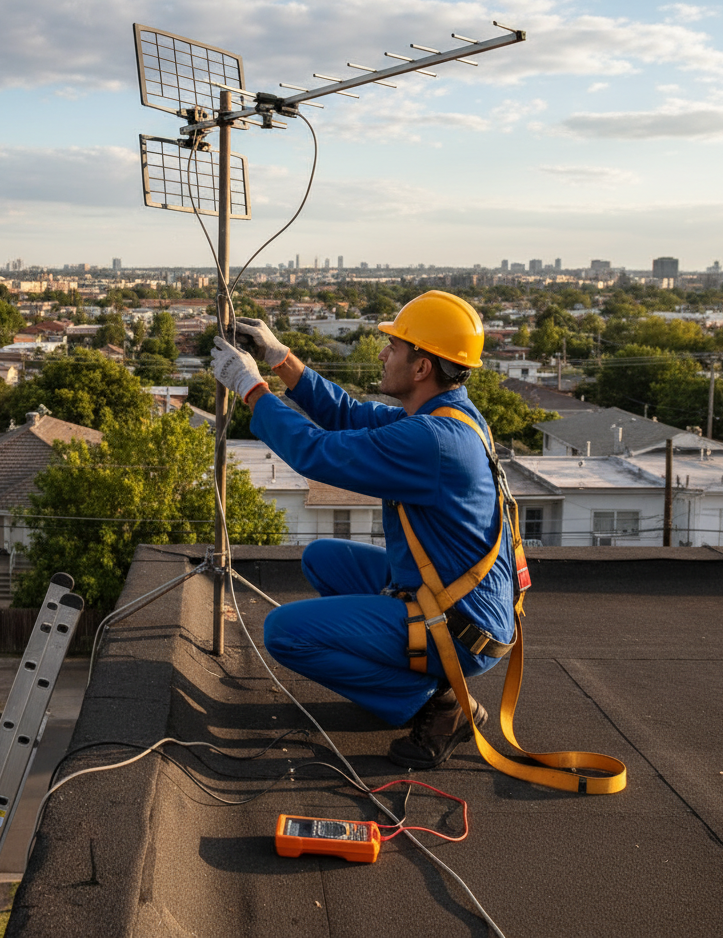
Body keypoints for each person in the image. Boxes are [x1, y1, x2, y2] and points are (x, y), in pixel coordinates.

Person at [211, 290, 517, 770]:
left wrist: (253, 390)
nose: (382, 354)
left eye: (394, 347)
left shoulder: (431, 440)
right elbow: (351, 416)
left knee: (284, 633)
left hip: (461, 626)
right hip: (457, 599)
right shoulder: (443, 417)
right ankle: (410, 673)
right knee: (323, 559)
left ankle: (435, 705)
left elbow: (316, 453)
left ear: (422, 367)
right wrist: (281, 360)